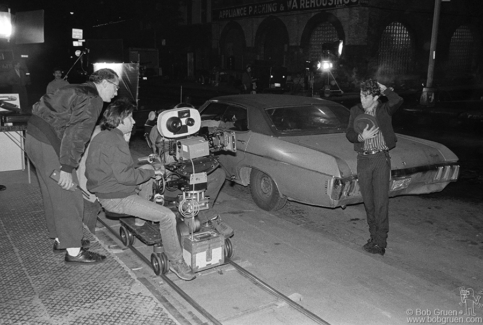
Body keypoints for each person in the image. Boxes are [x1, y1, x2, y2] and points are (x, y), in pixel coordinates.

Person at [85, 98, 196, 281]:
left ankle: (139, 219)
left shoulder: (104, 136)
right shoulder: (116, 141)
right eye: (130, 117)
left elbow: (118, 164)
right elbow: (126, 176)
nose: (134, 121)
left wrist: (145, 163)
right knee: (167, 216)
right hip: (116, 197)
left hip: (107, 189)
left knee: (146, 173)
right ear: (120, 119)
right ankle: (176, 262)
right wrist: (152, 172)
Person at [25, 68, 119, 264]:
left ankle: (63, 240)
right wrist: (67, 168)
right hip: (47, 143)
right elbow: (77, 134)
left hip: (34, 137)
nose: (116, 92)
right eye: (115, 87)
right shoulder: (92, 98)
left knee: (53, 193)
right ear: (104, 83)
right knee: (70, 192)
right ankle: (74, 252)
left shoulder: (78, 89)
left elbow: (41, 105)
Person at [345, 79, 403, 256]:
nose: (362, 99)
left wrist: (386, 89)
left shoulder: (383, 109)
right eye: (361, 95)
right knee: (369, 202)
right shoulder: (356, 111)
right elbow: (349, 134)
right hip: (363, 160)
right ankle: (373, 237)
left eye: (366, 96)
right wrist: (362, 137)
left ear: (375, 96)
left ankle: (381, 242)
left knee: (381, 202)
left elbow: (397, 100)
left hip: (380, 159)